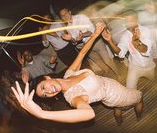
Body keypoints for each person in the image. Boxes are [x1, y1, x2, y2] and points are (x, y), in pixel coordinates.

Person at [11, 22, 143, 124]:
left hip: (111, 84)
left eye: (43, 87)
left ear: (46, 77)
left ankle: (119, 115)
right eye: (45, 95)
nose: (49, 92)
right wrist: (42, 114)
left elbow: (82, 53)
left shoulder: (68, 74)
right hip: (115, 95)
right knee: (138, 97)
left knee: (119, 108)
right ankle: (139, 119)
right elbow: (88, 114)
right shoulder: (73, 97)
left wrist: (95, 34)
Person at [102, 10, 155, 89]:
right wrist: (110, 41)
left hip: (148, 65)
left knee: (152, 80)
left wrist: (137, 42)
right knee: (129, 89)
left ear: (137, 20)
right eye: (126, 21)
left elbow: (145, 51)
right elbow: (120, 53)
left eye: (131, 21)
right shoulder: (125, 36)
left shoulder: (146, 31)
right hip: (134, 66)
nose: (128, 24)